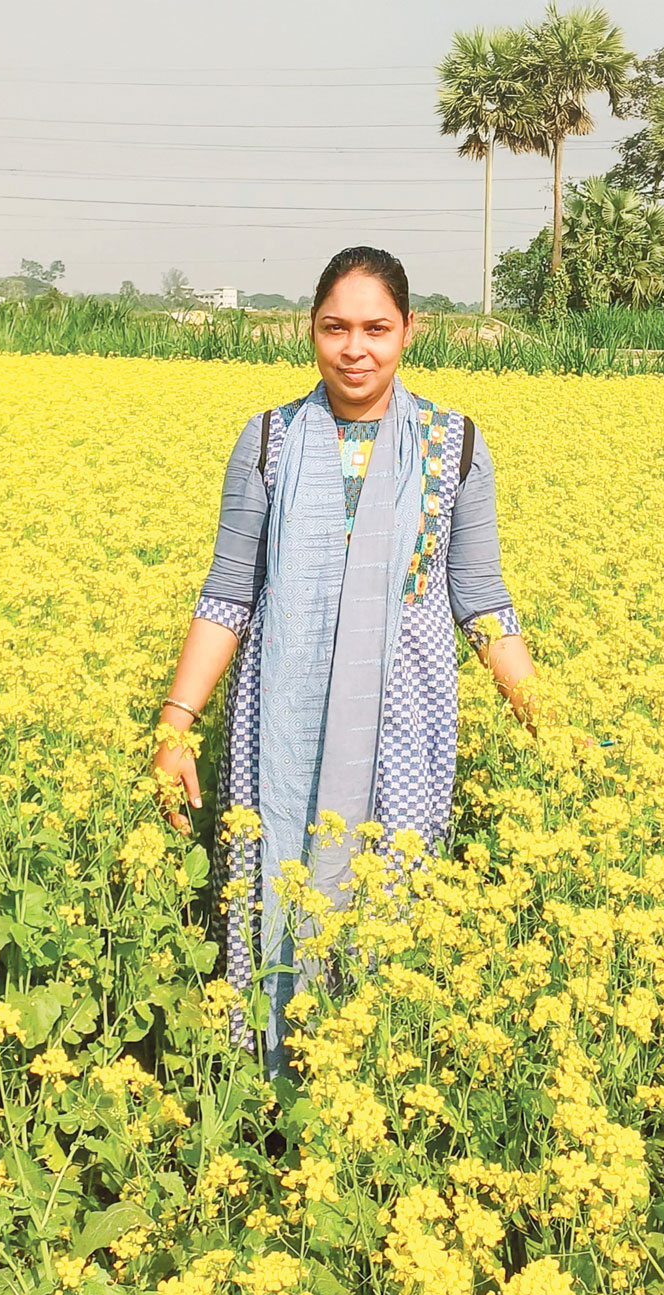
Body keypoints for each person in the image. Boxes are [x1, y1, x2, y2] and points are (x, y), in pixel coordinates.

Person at [152, 245, 541, 1079]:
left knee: (384, 907)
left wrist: (548, 718)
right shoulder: (268, 440)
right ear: (311, 331)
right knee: (274, 891)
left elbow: (482, 603)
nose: (354, 348)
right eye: (336, 328)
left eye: (376, 328)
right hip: (280, 725)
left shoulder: (455, 446)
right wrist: (175, 723)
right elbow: (229, 593)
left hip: (405, 729)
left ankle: (369, 1098)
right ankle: (262, 1102)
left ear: (410, 331)